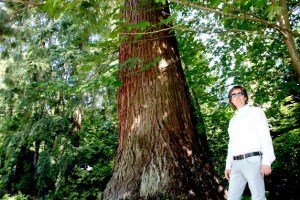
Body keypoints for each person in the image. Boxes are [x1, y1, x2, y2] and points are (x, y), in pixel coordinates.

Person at [224, 85, 276, 200]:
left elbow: (265, 137)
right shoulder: (232, 121)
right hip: (236, 164)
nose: (237, 97)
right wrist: (228, 165)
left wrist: (267, 161)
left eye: (240, 94)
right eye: (234, 95)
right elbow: (231, 145)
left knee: (258, 197)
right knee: (232, 198)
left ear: (245, 97)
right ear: (231, 100)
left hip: (253, 160)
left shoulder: (256, 112)